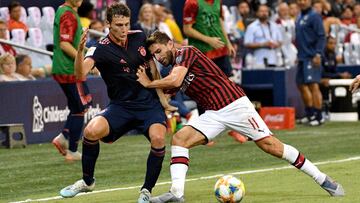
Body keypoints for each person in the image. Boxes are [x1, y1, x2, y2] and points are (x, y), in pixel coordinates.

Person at [136, 31, 345, 202]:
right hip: (213, 113)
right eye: (155, 54)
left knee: (272, 146)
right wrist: (150, 74)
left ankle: (323, 179)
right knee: (180, 139)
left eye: (160, 51)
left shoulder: (186, 52)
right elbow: (164, 92)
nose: (159, 56)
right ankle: (177, 194)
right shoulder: (172, 68)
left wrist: (149, 83)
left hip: (235, 105)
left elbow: (174, 80)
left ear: (170, 44)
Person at [59, 3, 175, 203]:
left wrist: (163, 100)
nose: (123, 30)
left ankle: (146, 191)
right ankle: (87, 181)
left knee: (158, 139)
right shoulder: (98, 48)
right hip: (121, 106)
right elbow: (80, 74)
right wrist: (79, 50)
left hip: (148, 105)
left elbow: (153, 69)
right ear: (108, 24)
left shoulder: (139, 36)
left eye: (126, 24)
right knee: (90, 131)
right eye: (118, 25)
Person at [51, 0, 92, 162]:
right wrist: (83, 61)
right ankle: (72, 150)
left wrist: (90, 53)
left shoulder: (64, 10)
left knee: (78, 106)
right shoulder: (68, 14)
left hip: (65, 68)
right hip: (70, 69)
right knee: (80, 108)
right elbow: (65, 44)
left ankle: (63, 137)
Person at [183, 0, 235, 77]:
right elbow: (187, 30)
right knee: (209, 85)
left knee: (228, 83)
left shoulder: (218, 1)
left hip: (221, 49)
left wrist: (228, 43)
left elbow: (220, 21)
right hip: (203, 54)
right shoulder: (191, 2)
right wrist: (209, 40)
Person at [295, 0, 326, 126]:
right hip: (302, 56)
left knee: (313, 85)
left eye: (305, 0)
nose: (302, 2)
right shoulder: (299, 16)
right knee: (301, 85)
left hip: (312, 56)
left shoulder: (314, 16)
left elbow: (321, 36)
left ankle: (319, 116)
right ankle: (309, 114)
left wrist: (318, 53)